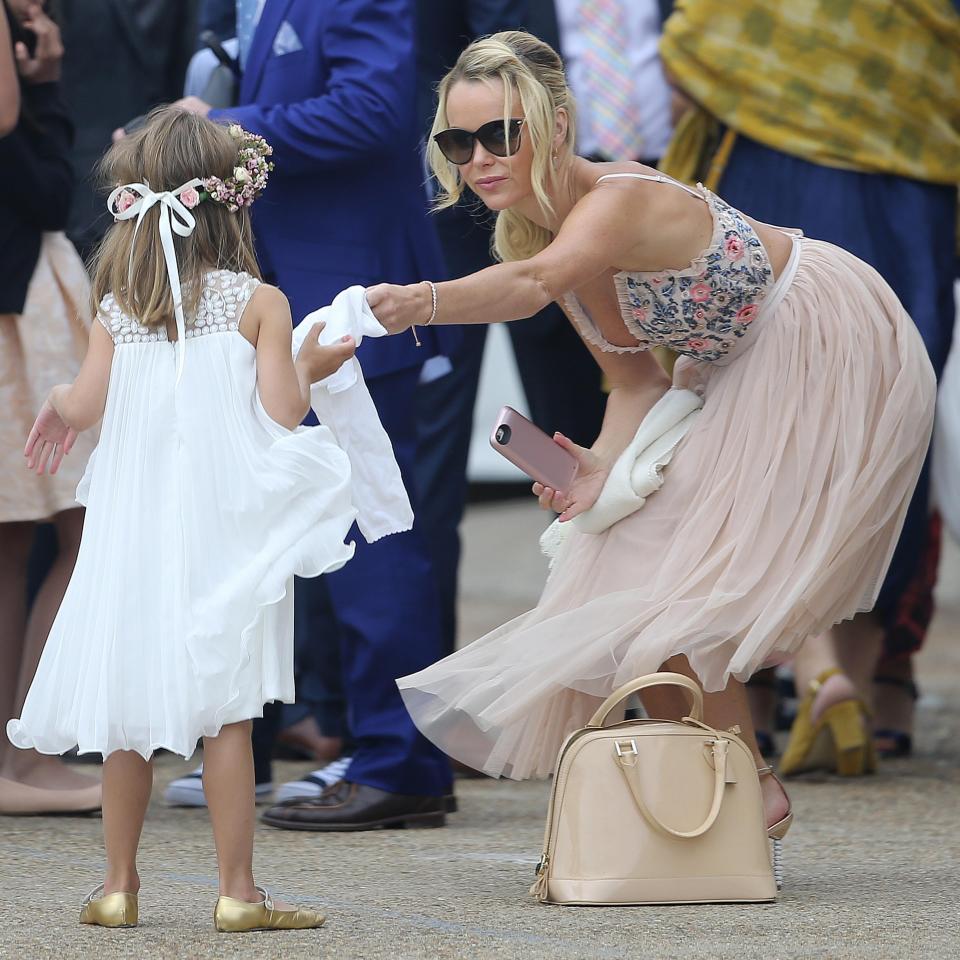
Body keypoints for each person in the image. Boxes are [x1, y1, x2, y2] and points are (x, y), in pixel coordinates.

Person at [365, 31, 936, 865]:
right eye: (459, 142)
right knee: (623, 552)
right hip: (721, 371)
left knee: (669, 568)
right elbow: (632, 380)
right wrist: (595, 468)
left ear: (556, 125)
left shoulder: (614, 201)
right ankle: (726, 787)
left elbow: (529, 291)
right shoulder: (538, 231)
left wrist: (422, 301)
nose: (480, 158)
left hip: (822, 337)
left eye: (502, 134)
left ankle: (740, 781)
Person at [5, 106, 368, 931]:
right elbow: (280, 416)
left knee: (126, 718)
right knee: (226, 716)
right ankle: (237, 891)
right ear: (232, 202)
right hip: (219, 529)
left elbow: (86, 403)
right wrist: (308, 364)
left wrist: (58, 404)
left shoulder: (117, 303)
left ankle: (117, 887)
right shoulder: (259, 302)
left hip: (133, 533)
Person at [170, 0, 455, 829]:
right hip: (278, 291)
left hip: (350, 298)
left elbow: (374, 112)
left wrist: (213, 128)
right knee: (281, 521)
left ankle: (400, 763)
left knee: (370, 530)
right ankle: (270, 753)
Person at [656, 0, 960, 771]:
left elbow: (695, 44)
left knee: (757, 419)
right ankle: (857, 675)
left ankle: (779, 675)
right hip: (912, 163)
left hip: (770, 159)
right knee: (885, 426)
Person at [0, 0, 100, 816]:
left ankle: (21, 756)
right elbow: (36, 173)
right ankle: (24, 757)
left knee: (19, 535)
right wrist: (47, 81)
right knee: (75, 521)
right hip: (18, 295)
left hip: (22, 291)